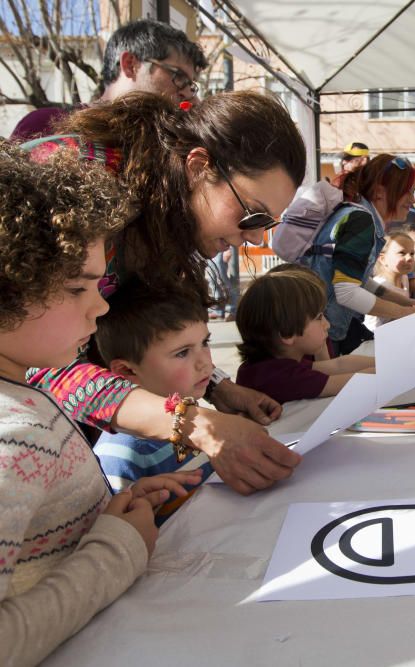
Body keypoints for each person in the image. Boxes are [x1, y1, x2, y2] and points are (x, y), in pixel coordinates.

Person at [21, 90, 306, 495]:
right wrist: (194, 424)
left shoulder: (164, 211)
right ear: (198, 166)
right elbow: (43, 359)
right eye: (252, 213)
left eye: (268, 225)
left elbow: (136, 331)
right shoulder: (78, 182)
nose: (255, 236)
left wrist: (216, 388)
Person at [0, 140, 200, 664]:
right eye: (76, 288)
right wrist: (117, 549)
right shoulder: (11, 435)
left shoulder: (26, 392)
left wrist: (107, 516)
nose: (101, 306)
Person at [91, 281, 216, 503]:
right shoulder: (120, 456)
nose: (205, 363)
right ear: (127, 370)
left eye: (205, 342)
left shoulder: (192, 411)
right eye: (182, 353)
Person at [305, 153, 415, 355]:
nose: (412, 200)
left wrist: (406, 302)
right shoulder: (362, 221)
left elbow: (357, 280)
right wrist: (404, 312)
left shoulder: (357, 214)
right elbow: (346, 292)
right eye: (407, 192)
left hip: (320, 327)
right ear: (380, 192)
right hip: (321, 333)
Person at [10, 18, 206, 142]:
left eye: (191, 84)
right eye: (179, 76)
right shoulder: (44, 127)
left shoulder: (170, 149)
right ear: (130, 64)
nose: (187, 93)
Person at [235, 266, 375, 403]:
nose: (327, 324)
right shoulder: (276, 376)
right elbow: (349, 382)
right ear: (287, 333)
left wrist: (382, 364)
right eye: (319, 317)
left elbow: (338, 365)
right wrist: (387, 370)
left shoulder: (277, 362)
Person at [365, 232, 415, 329]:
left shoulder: (404, 277)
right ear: (383, 259)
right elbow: (374, 326)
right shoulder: (380, 286)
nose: (409, 258)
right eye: (402, 253)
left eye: (412, 253)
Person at [208, 243, 240, 320]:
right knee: (212, 278)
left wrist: (228, 248)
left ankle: (233, 310)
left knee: (227, 278)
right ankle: (218, 309)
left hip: (230, 241)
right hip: (213, 242)